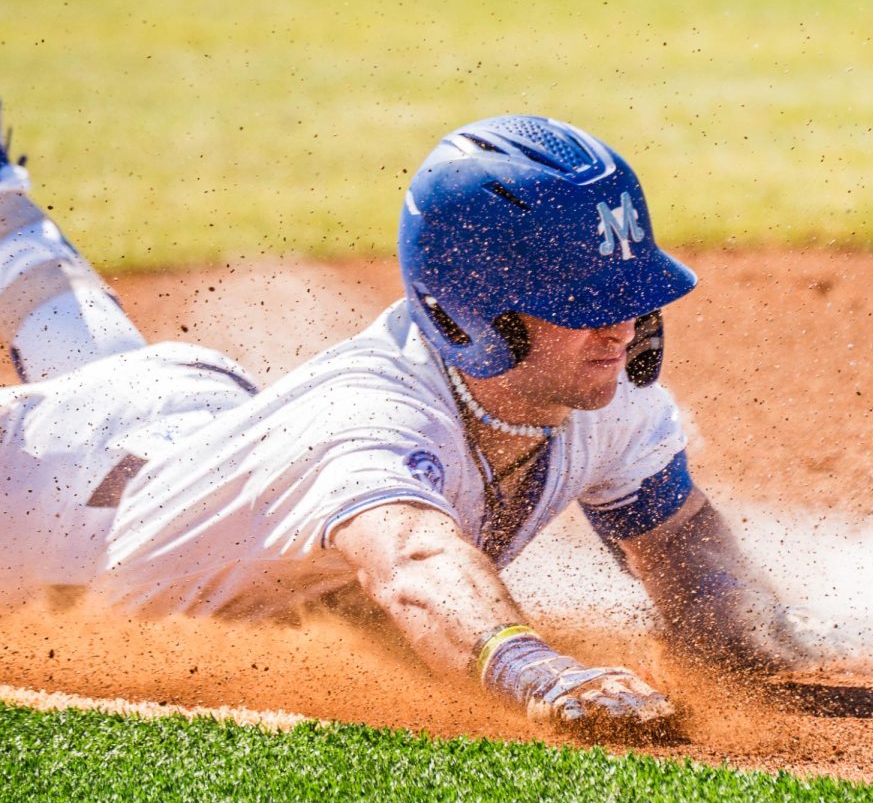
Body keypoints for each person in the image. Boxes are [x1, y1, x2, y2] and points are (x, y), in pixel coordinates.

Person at [0, 108, 810, 737]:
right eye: (583, 303)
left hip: (183, 424)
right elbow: (414, 560)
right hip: (35, 510)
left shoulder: (598, 387)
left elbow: (678, 537)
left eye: (627, 294)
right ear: (480, 314)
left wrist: (745, 624)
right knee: (86, 377)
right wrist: (536, 671)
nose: (621, 326)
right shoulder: (369, 424)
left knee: (96, 360)